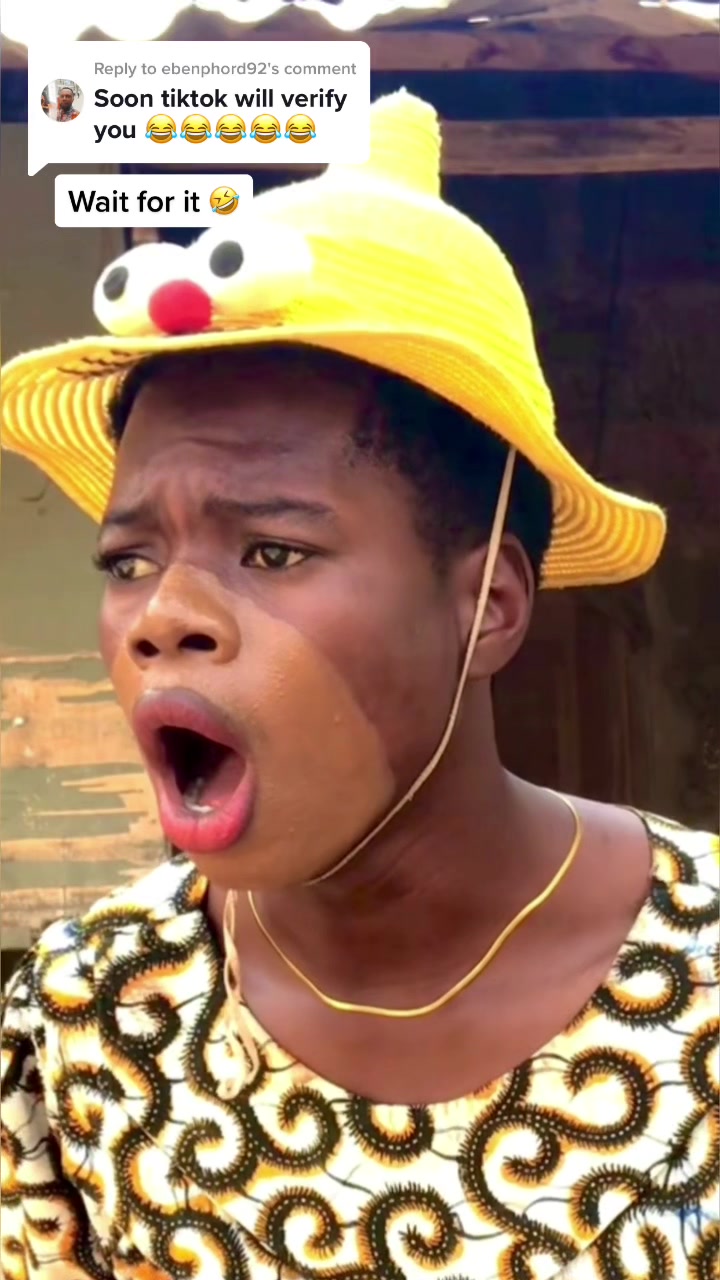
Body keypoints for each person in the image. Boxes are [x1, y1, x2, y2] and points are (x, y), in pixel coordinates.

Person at [1, 91, 717, 1280]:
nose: (164, 616)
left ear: (488, 604)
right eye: (128, 561)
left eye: (273, 550)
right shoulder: (88, 1011)